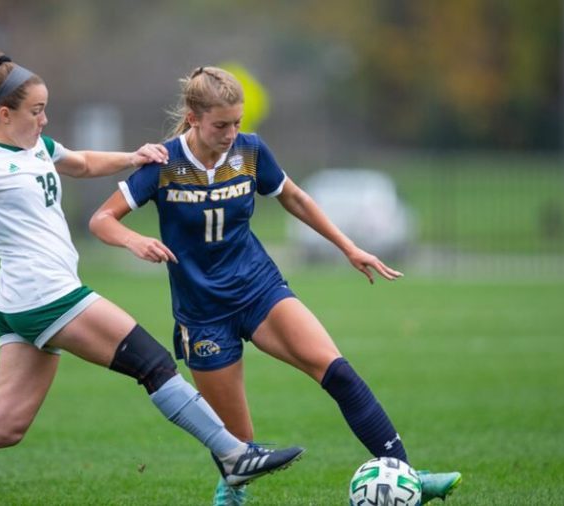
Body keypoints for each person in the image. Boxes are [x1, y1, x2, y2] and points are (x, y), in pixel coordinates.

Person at [0, 55, 305, 506]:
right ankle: (233, 453)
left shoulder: (37, 149)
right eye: (36, 111)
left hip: (21, 303)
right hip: (46, 295)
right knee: (154, 363)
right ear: (4, 114)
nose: (45, 119)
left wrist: (133, 156)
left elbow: (83, 163)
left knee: (5, 426)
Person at [88, 66, 462, 505]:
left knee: (337, 371)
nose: (231, 134)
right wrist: (135, 241)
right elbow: (101, 220)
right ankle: (231, 490)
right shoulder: (163, 163)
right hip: (203, 313)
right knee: (238, 446)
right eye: (220, 125)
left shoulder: (250, 152)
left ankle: (409, 475)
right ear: (192, 118)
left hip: (258, 289)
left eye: (237, 123)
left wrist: (348, 247)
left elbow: (295, 197)